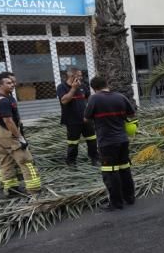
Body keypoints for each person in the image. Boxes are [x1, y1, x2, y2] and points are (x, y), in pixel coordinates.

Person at [83, 76, 137, 211]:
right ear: (107, 83)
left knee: (110, 172)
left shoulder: (94, 98)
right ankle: (129, 198)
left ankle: (116, 203)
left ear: (93, 88)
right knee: (124, 169)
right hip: (123, 140)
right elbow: (132, 115)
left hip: (107, 142)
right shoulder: (120, 97)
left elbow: (86, 118)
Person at [0, 74, 41, 198]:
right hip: (10, 136)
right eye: (8, 83)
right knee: (26, 161)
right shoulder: (4, 100)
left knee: (5, 163)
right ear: (0, 85)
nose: (12, 85)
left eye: (13, 83)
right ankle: (34, 190)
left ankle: (11, 189)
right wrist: (19, 137)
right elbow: (9, 121)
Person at [56, 67, 99, 167]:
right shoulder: (61, 87)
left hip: (86, 119)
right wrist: (73, 88)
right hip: (72, 121)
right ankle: (71, 161)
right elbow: (64, 101)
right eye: (79, 75)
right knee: (73, 143)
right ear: (72, 76)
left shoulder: (83, 86)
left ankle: (95, 159)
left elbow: (88, 100)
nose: (81, 77)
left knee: (92, 139)